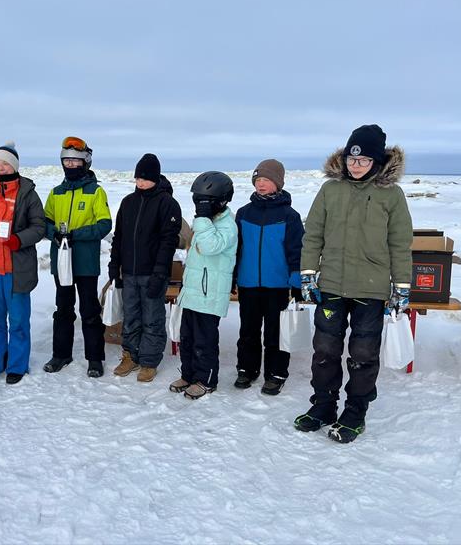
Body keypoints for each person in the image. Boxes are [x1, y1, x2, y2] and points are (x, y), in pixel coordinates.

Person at [294, 124, 413, 443]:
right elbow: (313, 235)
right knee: (324, 351)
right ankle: (323, 406)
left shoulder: (391, 195)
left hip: (371, 289)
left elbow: (400, 244)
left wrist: (402, 286)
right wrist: (308, 273)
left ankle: (355, 412)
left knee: (362, 354)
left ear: (376, 161)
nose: (355, 165)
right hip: (332, 285)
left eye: (363, 160)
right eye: (351, 158)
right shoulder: (330, 190)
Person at [0, 142, 46, 384]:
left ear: (14, 165)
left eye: (4, 163)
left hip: (17, 270)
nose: (0, 167)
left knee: (18, 322)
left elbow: (39, 226)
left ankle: (17, 365)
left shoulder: (28, 193)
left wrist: (19, 240)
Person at [233, 159, 304, 395]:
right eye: (258, 180)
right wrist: (233, 276)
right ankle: (247, 369)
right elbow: (236, 249)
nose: (261, 184)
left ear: (278, 183)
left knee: (276, 332)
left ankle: (276, 373)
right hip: (248, 283)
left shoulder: (290, 216)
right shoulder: (244, 213)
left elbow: (297, 250)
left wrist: (296, 280)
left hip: (277, 285)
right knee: (248, 331)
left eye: (266, 180)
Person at [42, 136, 112, 378]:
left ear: (85, 162)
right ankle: (61, 354)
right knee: (63, 309)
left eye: (75, 160)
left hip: (85, 262)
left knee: (89, 310)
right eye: (67, 160)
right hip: (61, 261)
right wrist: (54, 233)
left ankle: (95, 358)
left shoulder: (96, 192)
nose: (71, 164)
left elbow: (104, 225)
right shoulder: (56, 193)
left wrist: (76, 235)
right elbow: (45, 222)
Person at [109, 153, 182, 382]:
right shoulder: (128, 202)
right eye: (138, 178)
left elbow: (168, 242)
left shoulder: (167, 203)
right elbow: (119, 237)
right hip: (129, 272)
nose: (140, 182)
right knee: (130, 316)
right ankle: (130, 355)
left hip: (152, 273)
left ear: (155, 178)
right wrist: (114, 266)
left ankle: (149, 361)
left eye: (145, 178)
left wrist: (160, 273)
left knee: (152, 318)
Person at [170, 171, 238, 399]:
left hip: (210, 294)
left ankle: (205, 380)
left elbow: (210, 247)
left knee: (204, 341)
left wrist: (202, 219)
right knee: (187, 338)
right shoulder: (207, 222)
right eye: (197, 200)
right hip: (193, 291)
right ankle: (188, 374)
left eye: (204, 201)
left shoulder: (228, 226)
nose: (200, 206)